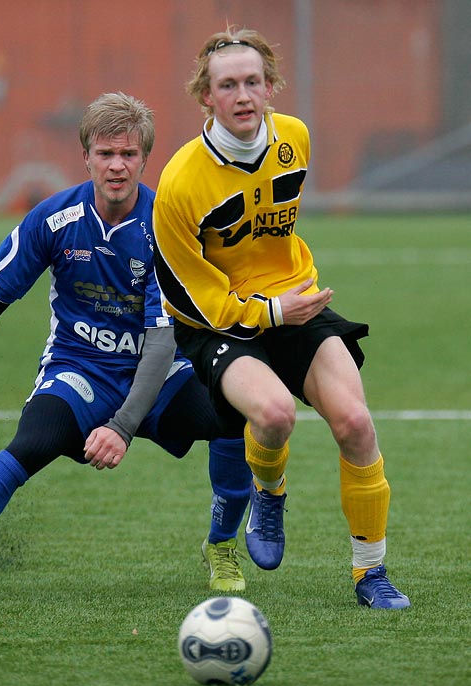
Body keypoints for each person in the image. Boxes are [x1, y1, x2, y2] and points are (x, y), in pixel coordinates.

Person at [0, 92, 252, 601]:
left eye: (127, 154)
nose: (116, 166)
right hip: (80, 370)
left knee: (233, 413)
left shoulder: (167, 227)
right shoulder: (53, 218)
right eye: (105, 153)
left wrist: (122, 427)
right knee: (28, 446)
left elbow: (162, 342)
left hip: (160, 372)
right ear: (86, 156)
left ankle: (221, 545)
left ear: (145, 158)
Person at [152, 28, 410, 609]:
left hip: (296, 303)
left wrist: (289, 302)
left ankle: (370, 574)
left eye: (253, 82)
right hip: (218, 321)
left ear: (271, 88)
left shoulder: (294, 138)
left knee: (356, 425)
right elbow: (181, 296)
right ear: (206, 97)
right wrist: (267, 310)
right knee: (273, 415)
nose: (243, 95)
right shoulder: (179, 182)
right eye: (227, 85)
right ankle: (269, 491)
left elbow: (278, 237)